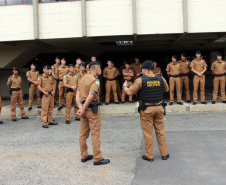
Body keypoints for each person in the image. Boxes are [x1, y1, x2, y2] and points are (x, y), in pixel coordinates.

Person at [123, 60, 169, 162]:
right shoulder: (161, 78)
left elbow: (130, 92)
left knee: (148, 134)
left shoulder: (140, 80)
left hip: (147, 110)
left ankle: (150, 156)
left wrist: (124, 86)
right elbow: (166, 89)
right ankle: (164, 154)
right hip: (159, 108)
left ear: (144, 69)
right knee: (160, 132)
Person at [76, 61, 110, 166]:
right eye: (100, 68)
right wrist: (84, 108)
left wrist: (80, 107)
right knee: (95, 135)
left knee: (83, 134)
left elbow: (77, 95)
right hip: (91, 110)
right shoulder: (95, 80)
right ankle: (97, 159)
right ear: (96, 68)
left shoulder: (83, 78)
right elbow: (90, 96)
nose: (100, 70)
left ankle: (84, 155)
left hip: (83, 109)